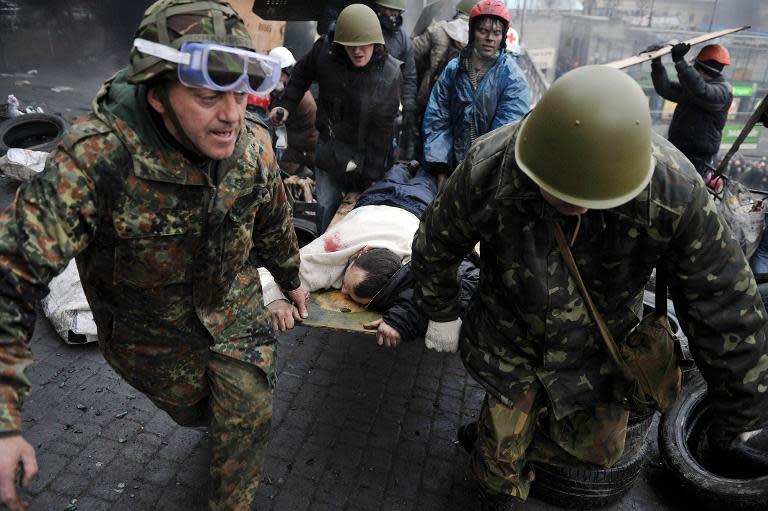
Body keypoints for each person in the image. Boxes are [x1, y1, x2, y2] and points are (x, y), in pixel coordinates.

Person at [411, 65, 768, 511]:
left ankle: (507, 437)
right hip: (511, 338)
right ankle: (498, 451)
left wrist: (739, 415)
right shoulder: (492, 167)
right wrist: (440, 309)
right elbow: (437, 242)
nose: (571, 206)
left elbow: (723, 301)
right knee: (498, 474)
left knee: (597, 453)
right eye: (558, 191)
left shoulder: (672, 191)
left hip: (599, 349)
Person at [0, 2, 309, 510]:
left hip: (233, 310)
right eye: (208, 96)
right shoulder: (97, 160)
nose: (231, 115)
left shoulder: (251, 148)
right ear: (158, 95)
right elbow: (12, 273)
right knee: (197, 410)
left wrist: (291, 277)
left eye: (237, 93)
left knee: (247, 412)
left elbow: (271, 215)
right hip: (150, 337)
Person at [260, 162, 479, 348]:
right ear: (361, 252)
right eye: (348, 286)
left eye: (346, 289)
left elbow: (466, 282)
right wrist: (275, 299)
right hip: (379, 200)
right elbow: (269, 272)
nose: (342, 290)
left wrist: (404, 318)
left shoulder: (418, 252)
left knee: (425, 178)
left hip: (413, 205)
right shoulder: (335, 248)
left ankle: (422, 167)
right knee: (396, 173)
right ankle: (405, 166)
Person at [269, 3, 402, 232]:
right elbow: (301, 74)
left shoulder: (389, 74)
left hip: (365, 155)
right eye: (351, 46)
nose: (358, 52)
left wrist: (370, 177)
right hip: (330, 148)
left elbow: (383, 132)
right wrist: (286, 105)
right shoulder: (325, 53)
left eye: (363, 45)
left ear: (376, 42)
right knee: (327, 209)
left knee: (361, 216)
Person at [422, 0, 529, 188]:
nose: (490, 38)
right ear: (472, 33)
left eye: (496, 33)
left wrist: (481, 173)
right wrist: (441, 167)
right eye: (483, 31)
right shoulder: (453, 70)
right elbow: (438, 118)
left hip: (489, 177)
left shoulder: (513, 79)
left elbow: (505, 133)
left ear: (503, 36)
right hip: (449, 167)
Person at [649, 42, 734, 177]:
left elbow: (702, 91)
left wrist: (680, 62)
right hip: (677, 150)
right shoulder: (693, 89)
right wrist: (656, 63)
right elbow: (665, 88)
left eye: (695, 68)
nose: (693, 70)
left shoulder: (723, 92)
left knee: (686, 194)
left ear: (702, 69)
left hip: (697, 159)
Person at [412, 0, 476, 150]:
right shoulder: (480, 37)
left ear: (458, 11)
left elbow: (413, 52)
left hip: (430, 92)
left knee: (423, 134)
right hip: (463, 100)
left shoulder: (439, 29)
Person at [373, 0, 418, 161]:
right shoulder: (368, 30)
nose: (392, 15)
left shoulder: (403, 40)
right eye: (388, 10)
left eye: (396, 11)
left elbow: (409, 77)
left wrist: (409, 108)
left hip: (387, 108)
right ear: (379, 8)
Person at [267, 46, 319, 176]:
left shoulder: (297, 99)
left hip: (305, 149)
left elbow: (277, 125)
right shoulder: (288, 91)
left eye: (277, 73)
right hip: (297, 142)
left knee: (270, 160)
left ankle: (300, 174)